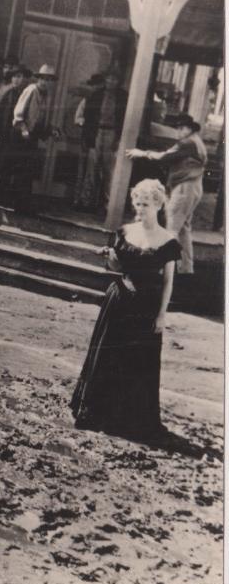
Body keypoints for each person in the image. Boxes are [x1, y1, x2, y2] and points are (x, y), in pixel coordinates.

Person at [71, 179, 181, 441]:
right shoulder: (124, 232)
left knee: (136, 361)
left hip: (146, 308)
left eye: (146, 204)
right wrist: (110, 256)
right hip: (118, 301)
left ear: (158, 204)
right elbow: (117, 269)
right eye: (138, 203)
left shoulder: (168, 241)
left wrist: (161, 315)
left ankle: (128, 419)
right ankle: (97, 412)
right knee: (109, 358)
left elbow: (168, 282)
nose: (140, 209)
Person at [126, 114, 207, 275]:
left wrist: (142, 153)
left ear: (190, 129)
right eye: (177, 128)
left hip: (185, 187)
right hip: (193, 186)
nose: (179, 131)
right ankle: (186, 268)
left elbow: (164, 157)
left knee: (172, 228)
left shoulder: (188, 142)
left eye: (182, 128)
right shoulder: (196, 142)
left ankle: (164, 269)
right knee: (183, 227)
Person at [73, 71, 127, 212]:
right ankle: (86, 202)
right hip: (97, 132)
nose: (111, 81)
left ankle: (107, 205)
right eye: (109, 78)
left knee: (109, 171)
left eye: (114, 78)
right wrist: (89, 136)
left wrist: (118, 138)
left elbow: (123, 120)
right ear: (106, 79)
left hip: (112, 133)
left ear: (118, 81)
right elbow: (87, 117)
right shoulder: (96, 95)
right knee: (92, 168)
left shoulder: (123, 97)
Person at [11, 64, 61, 212]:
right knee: (21, 170)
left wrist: (51, 130)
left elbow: (42, 118)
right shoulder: (31, 90)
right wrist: (24, 129)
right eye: (42, 78)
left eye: (48, 79)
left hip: (32, 136)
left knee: (29, 170)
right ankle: (17, 204)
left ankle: (24, 204)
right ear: (38, 78)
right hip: (21, 135)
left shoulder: (46, 95)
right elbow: (18, 113)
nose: (45, 82)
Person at [0, 65, 30, 193]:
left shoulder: (26, 95)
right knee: (3, 164)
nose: (16, 80)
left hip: (19, 136)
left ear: (24, 79)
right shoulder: (7, 94)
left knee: (16, 165)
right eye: (14, 77)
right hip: (6, 135)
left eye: (19, 77)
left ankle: (10, 193)